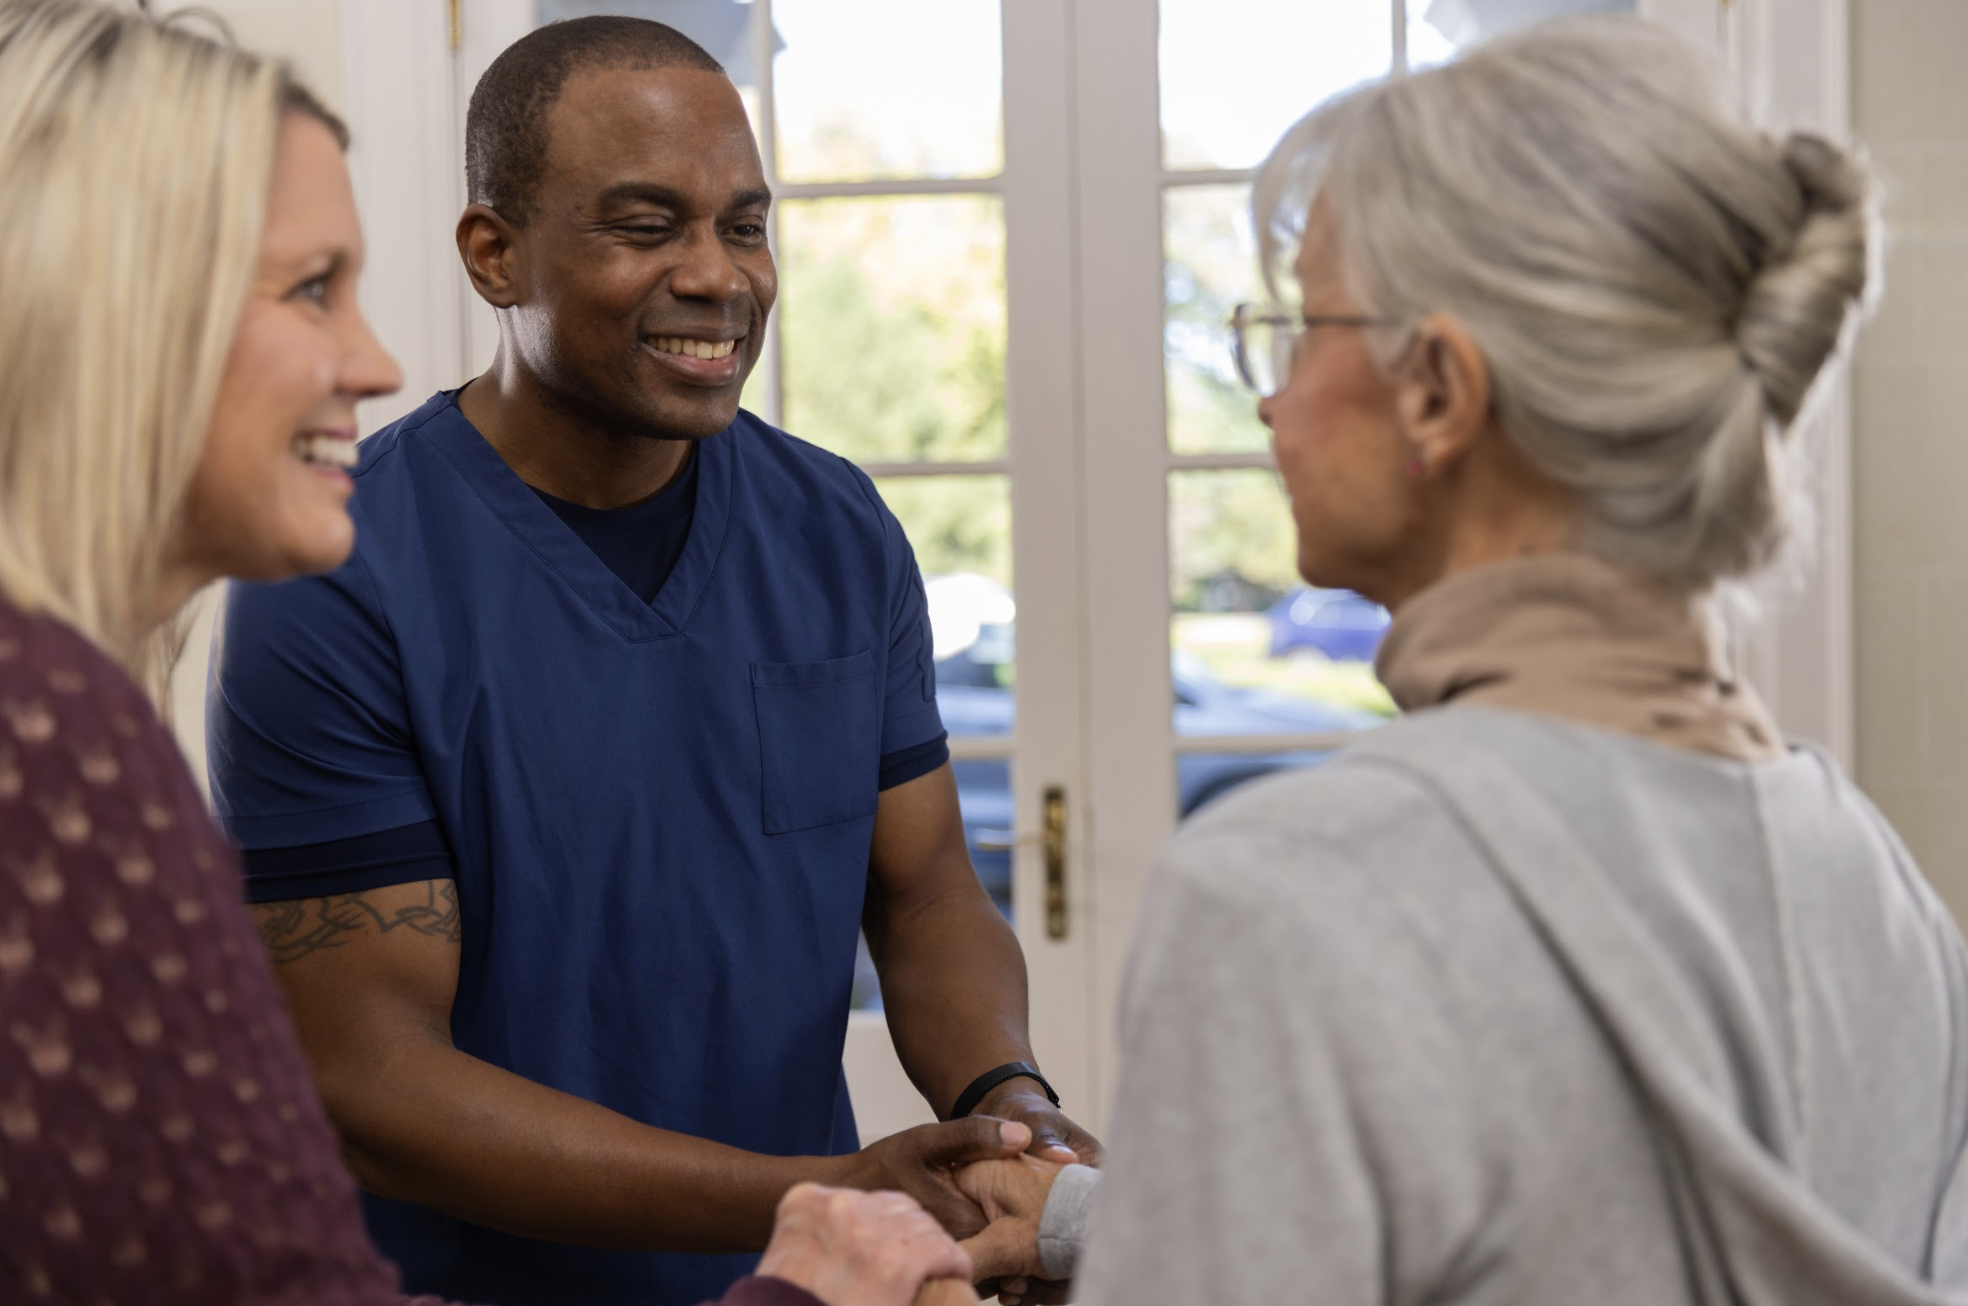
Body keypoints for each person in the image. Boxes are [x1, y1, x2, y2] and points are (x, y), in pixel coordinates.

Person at [960, 16, 1968, 1306]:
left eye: (1305, 325)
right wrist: (1097, 1222)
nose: (1270, 399)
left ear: (1437, 387)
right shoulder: (1871, 875)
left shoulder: (1291, 891)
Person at [0, 3, 996, 1304]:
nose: (372, 357)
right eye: (313, 290)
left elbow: (925, 895)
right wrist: (821, 1216)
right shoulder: (84, 718)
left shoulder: (835, 527)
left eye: (745, 224)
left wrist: (998, 1112)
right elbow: (337, 1122)